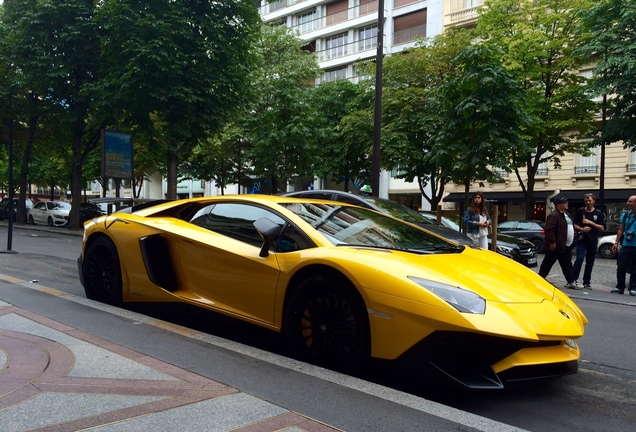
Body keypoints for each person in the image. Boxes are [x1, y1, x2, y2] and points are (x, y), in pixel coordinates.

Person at [538, 197, 577, 289]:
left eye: (567, 202)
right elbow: (549, 229)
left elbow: (571, 226)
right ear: (558, 205)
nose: (567, 204)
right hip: (557, 245)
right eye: (564, 203)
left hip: (566, 245)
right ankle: (540, 279)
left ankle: (571, 281)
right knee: (548, 263)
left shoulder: (566, 214)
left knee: (567, 264)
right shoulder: (553, 215)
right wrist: (552, 242)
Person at [572, 193, 606, 288]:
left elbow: (602, 228)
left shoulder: (598, 213)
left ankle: (586, 282)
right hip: (582, 239)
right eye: (586, 201)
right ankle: (573, 279)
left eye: (589, 201)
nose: (588, 202)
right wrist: (582, 229)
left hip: (593, 240)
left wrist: (590, 223)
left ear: (594, 201)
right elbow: (574, 224)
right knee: (579, 258)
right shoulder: (580, 211)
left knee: (590, 261)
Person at [611, 195, 636, 296]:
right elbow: (621, 229)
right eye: (628, 201)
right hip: (626, 244)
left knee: (635, 268)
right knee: (621, 266)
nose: (628, 203)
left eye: (630, 201)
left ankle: (633, 288)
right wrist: (616, 242)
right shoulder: (626, 215)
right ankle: (620, 287)